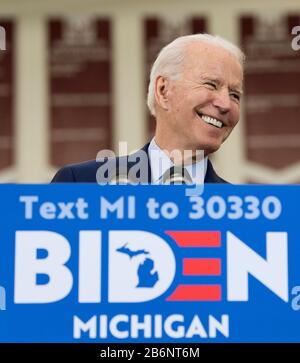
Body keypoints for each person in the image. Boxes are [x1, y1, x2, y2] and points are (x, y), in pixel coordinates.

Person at [52, 33, 244, 184]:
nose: (226, 104)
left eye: (235, 95)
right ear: (163, 90)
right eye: (211, 85)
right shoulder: (81, 184)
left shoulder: (243, 211)